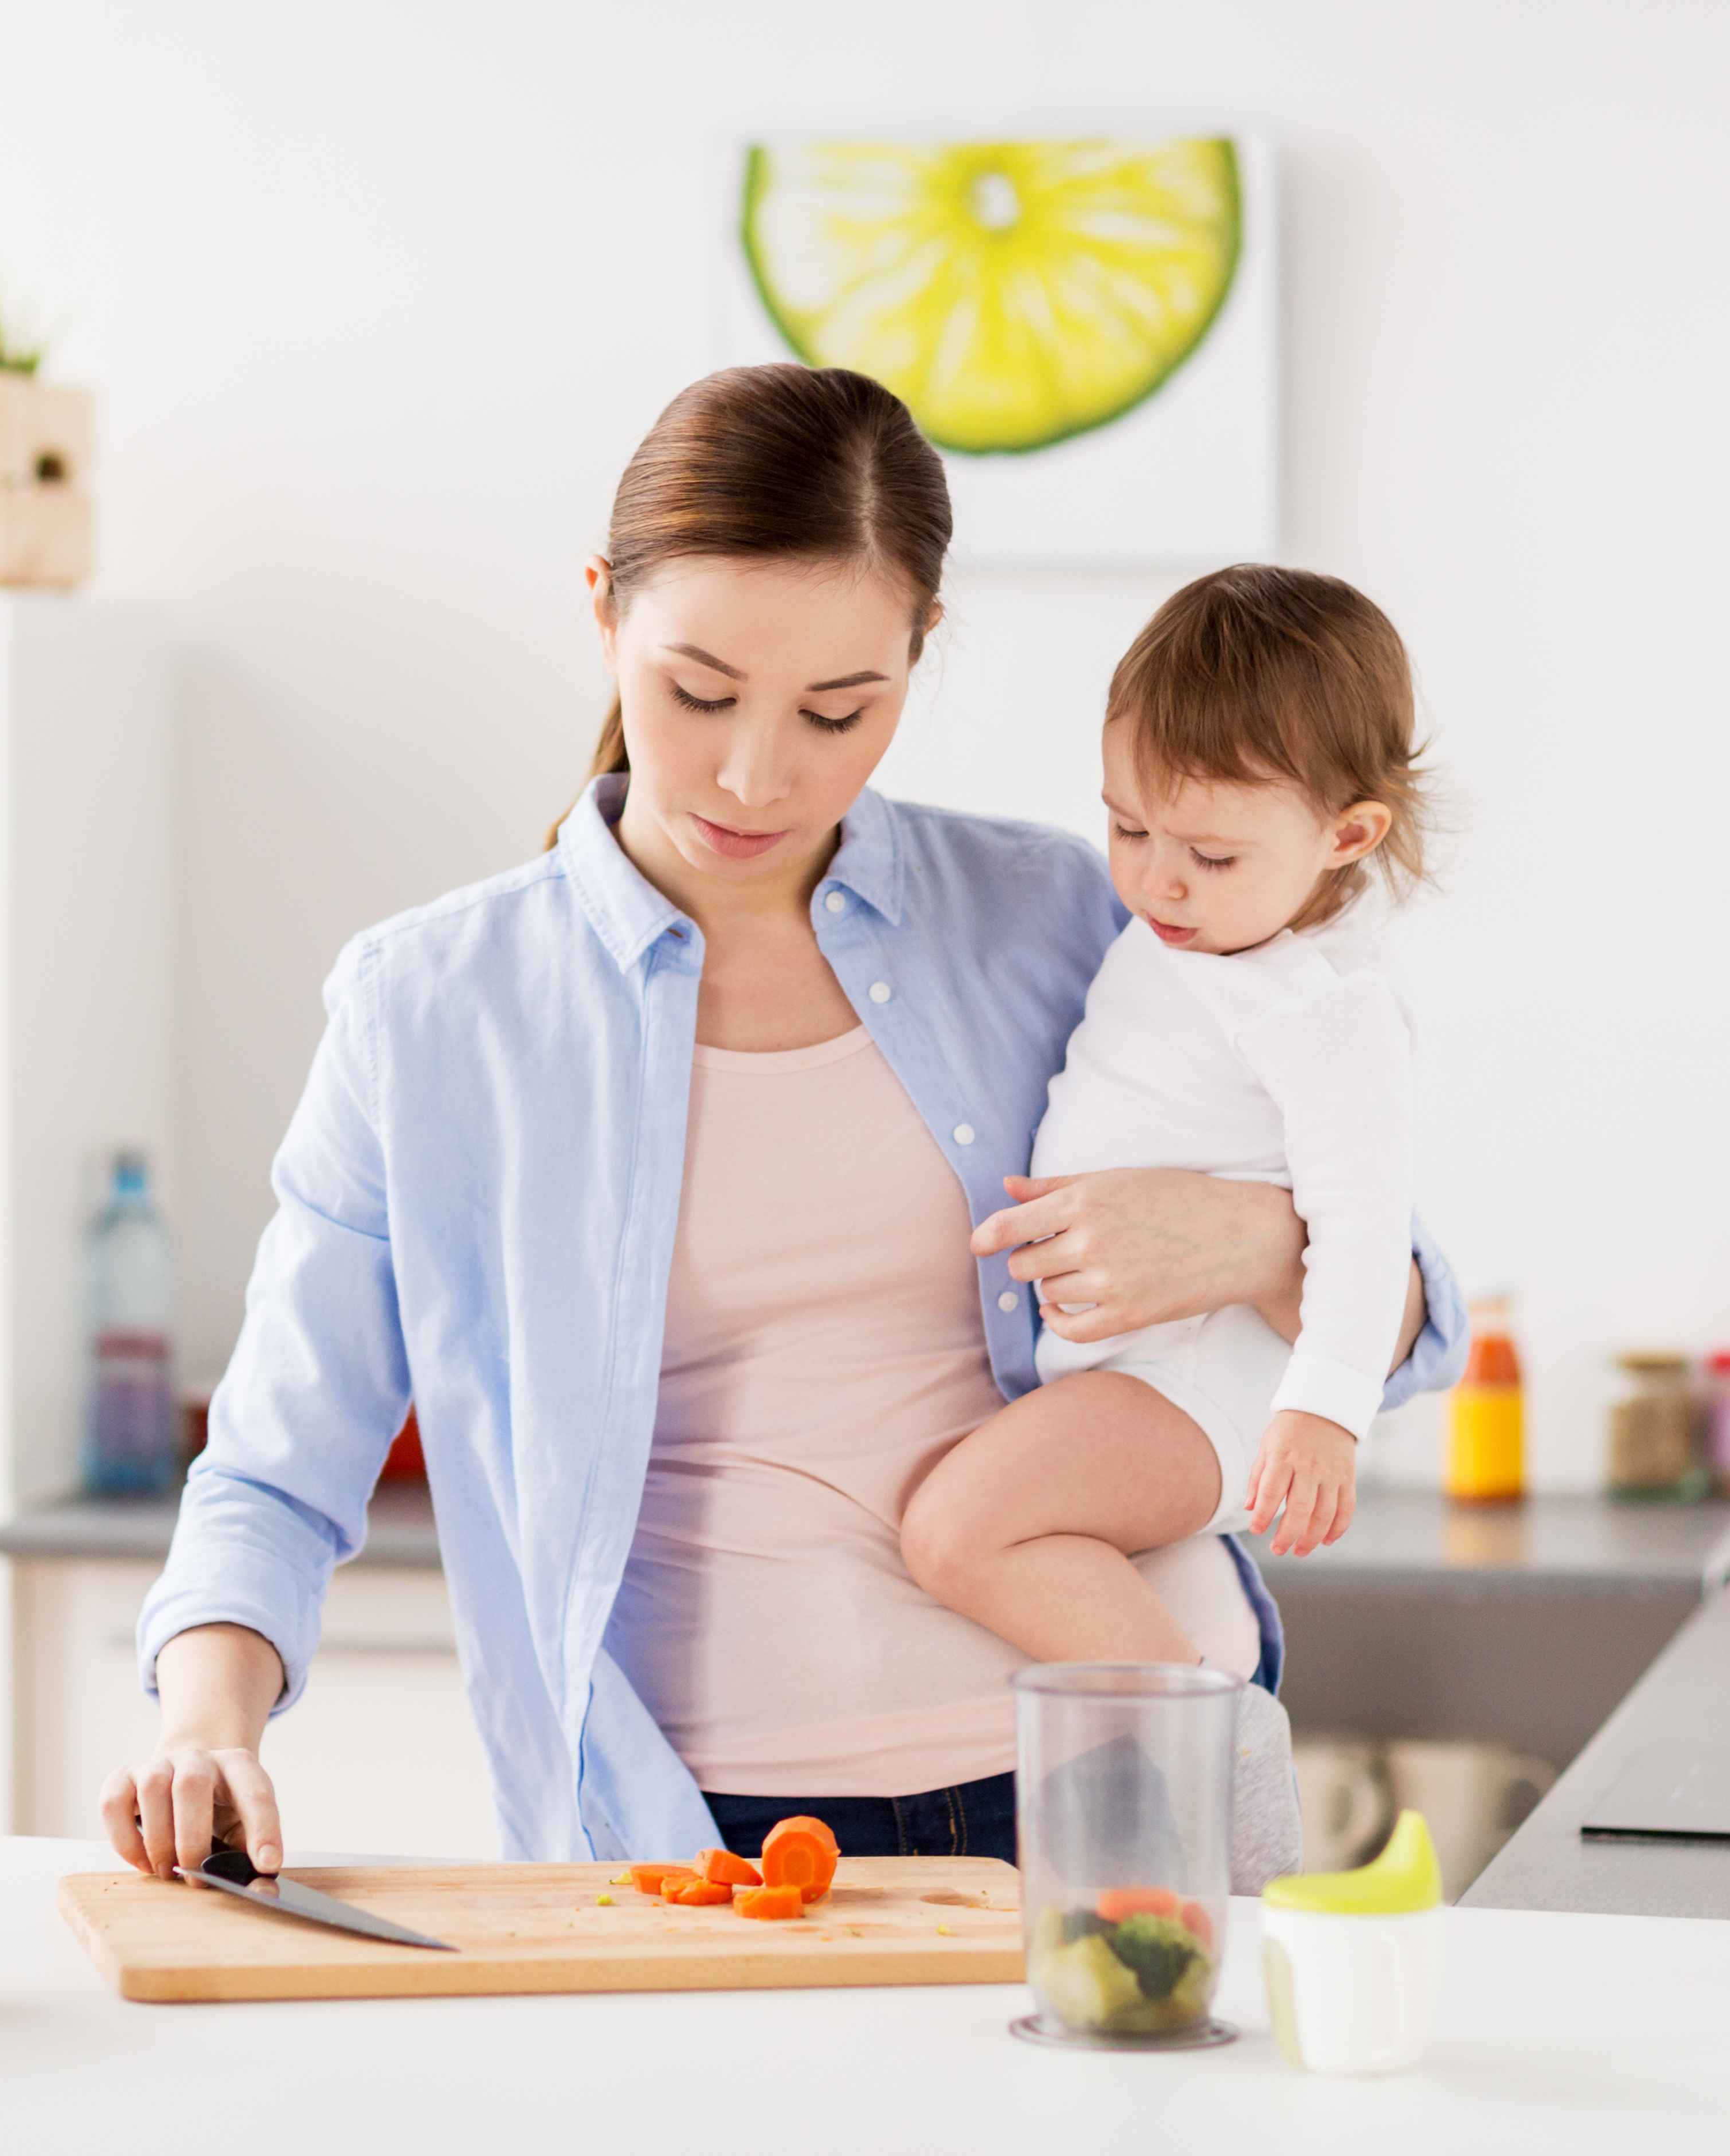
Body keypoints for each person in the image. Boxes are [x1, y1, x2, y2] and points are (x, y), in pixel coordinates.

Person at [107, 363, 1460, 1886]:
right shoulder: (432, 1010)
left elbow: (1403, 1327)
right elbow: (279, 1460)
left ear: (916, 652)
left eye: (837, 709)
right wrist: (205, 1715)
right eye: (697, 694)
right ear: (603, 612)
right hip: (697, 1836)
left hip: (1114, 1773)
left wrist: (1241, 1241)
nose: (758, 773)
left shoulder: (1067, 914)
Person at [898, 566, 1432, 1670]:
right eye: (1127, 828)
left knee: (958, 1533)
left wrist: (1327, 1416)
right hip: (1132, 1375)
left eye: (1211, 856)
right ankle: (1216, 1776)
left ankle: (1227, 1775)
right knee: (1152, 1613)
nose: (1158, 884)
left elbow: (1368, 1227)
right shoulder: (1186, 941)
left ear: (1347, 835)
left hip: (1202, 1388)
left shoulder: (1327, 1007)